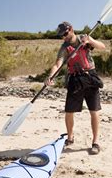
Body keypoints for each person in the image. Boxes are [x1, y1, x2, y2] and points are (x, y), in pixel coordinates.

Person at [45, 21, 106, 155]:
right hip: (74, 79)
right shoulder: (64, 48)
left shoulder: (84, 37)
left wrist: (90, 41)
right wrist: (51, 76)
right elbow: (58, 64)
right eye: (62, 35)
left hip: (90, 76)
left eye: (66, 33)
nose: (64, 37)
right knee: (69, 112)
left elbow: (102, 47)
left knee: (94, 111)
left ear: (71, 29)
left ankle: (95, 142)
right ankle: (70, 138)